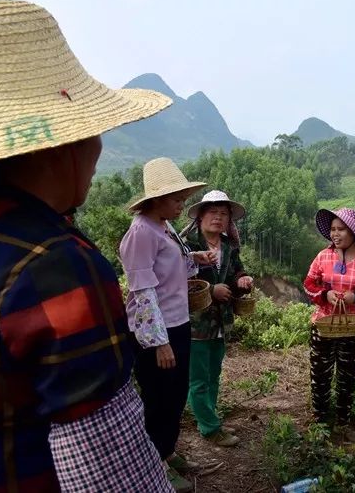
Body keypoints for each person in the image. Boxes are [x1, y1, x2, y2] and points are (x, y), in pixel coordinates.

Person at [0, 0, 175, 491]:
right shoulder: (56, 267)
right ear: (64, 145)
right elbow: (108, 469)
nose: (99, 144)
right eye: (94, 128)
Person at [120, 157, 215, 492]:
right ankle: (154, 463)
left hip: (177, 322)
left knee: (175, 394)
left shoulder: (164, 225)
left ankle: (167, 449)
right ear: (156, 199)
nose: (181, 204)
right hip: (155, 332)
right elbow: (143, 291)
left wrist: (194, 260)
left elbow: (170, 268)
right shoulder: (141, 233)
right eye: (176, 199)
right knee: (159, 396)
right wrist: (159, 343)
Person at [303, 208, 355, 442]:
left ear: (354, 232)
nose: (335, 234)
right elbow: (309, 284)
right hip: (323, 325)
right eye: (332, 229)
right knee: (319, 374)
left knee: (348, 376)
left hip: (354, 328)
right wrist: (325, 294)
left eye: (341, 229)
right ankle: (319, 422)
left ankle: (342, 423)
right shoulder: (323, 256)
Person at [183, 190, 253, 447]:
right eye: (213, 212)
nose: (219, 218)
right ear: (201, 215)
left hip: (221, 322)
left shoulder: (229, 246)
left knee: (213, 374)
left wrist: (242, 281)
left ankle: (209, 417)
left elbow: (236, 273)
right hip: (196, 324)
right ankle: (210, 427)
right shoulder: (188, 245)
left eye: (224, 214)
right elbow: (176, 280)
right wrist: (211, 290)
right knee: (199, 378)